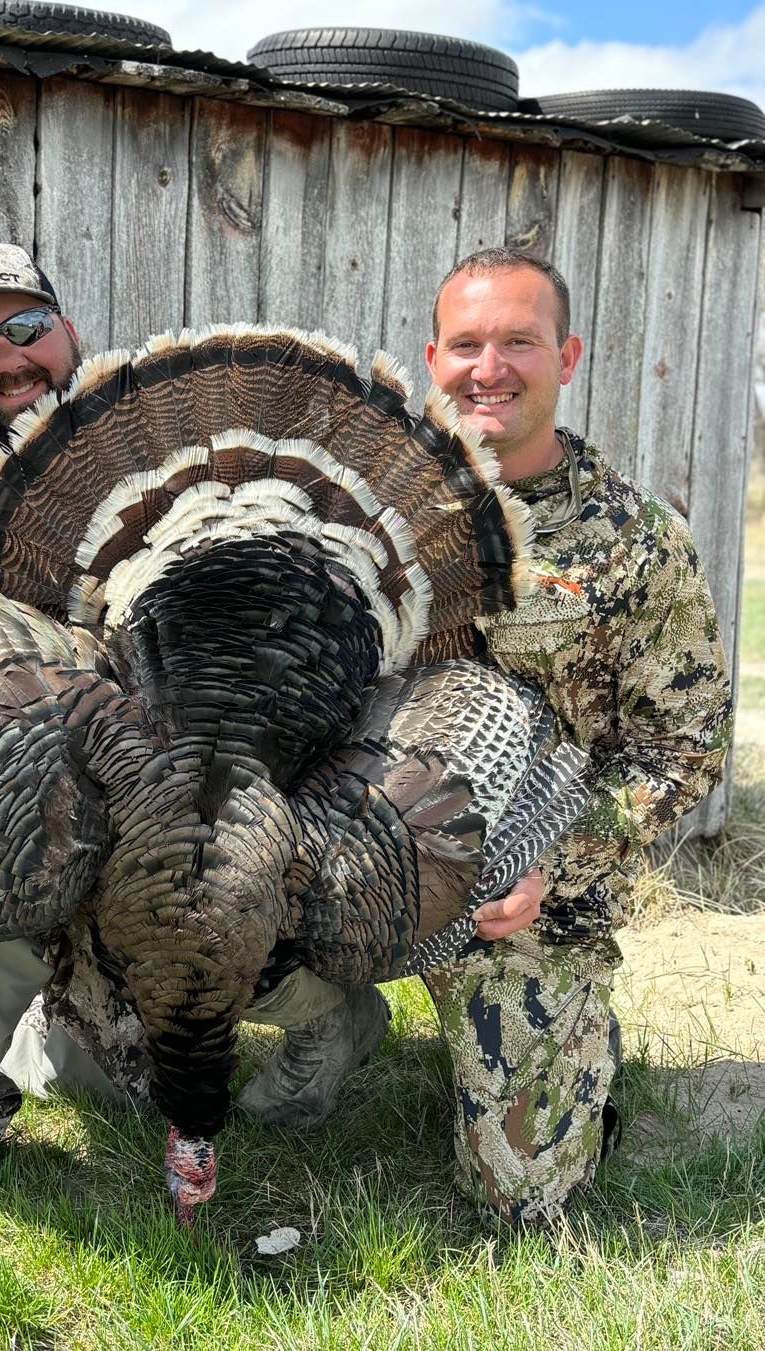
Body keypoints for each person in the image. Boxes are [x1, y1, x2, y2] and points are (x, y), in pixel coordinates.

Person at [0, 243, 379, 1235]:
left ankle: (328, 1014)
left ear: (67, 329)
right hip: (32, 835)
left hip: (184, 816)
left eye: (25, 328)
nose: (6, 357)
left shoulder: (165, 465)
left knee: (241, 889)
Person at [397, 246, 730, 1225]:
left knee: (522, 1193)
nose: (488, 367)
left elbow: (685, 741)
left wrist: (551, 854)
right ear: (433, 356)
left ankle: (574, 1038)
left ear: (568, 355)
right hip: (364, 853)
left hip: (524, 892)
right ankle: (331, 1033)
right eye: (466, 343)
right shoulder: (368, 509)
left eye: (519, 341)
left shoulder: (632, 536)